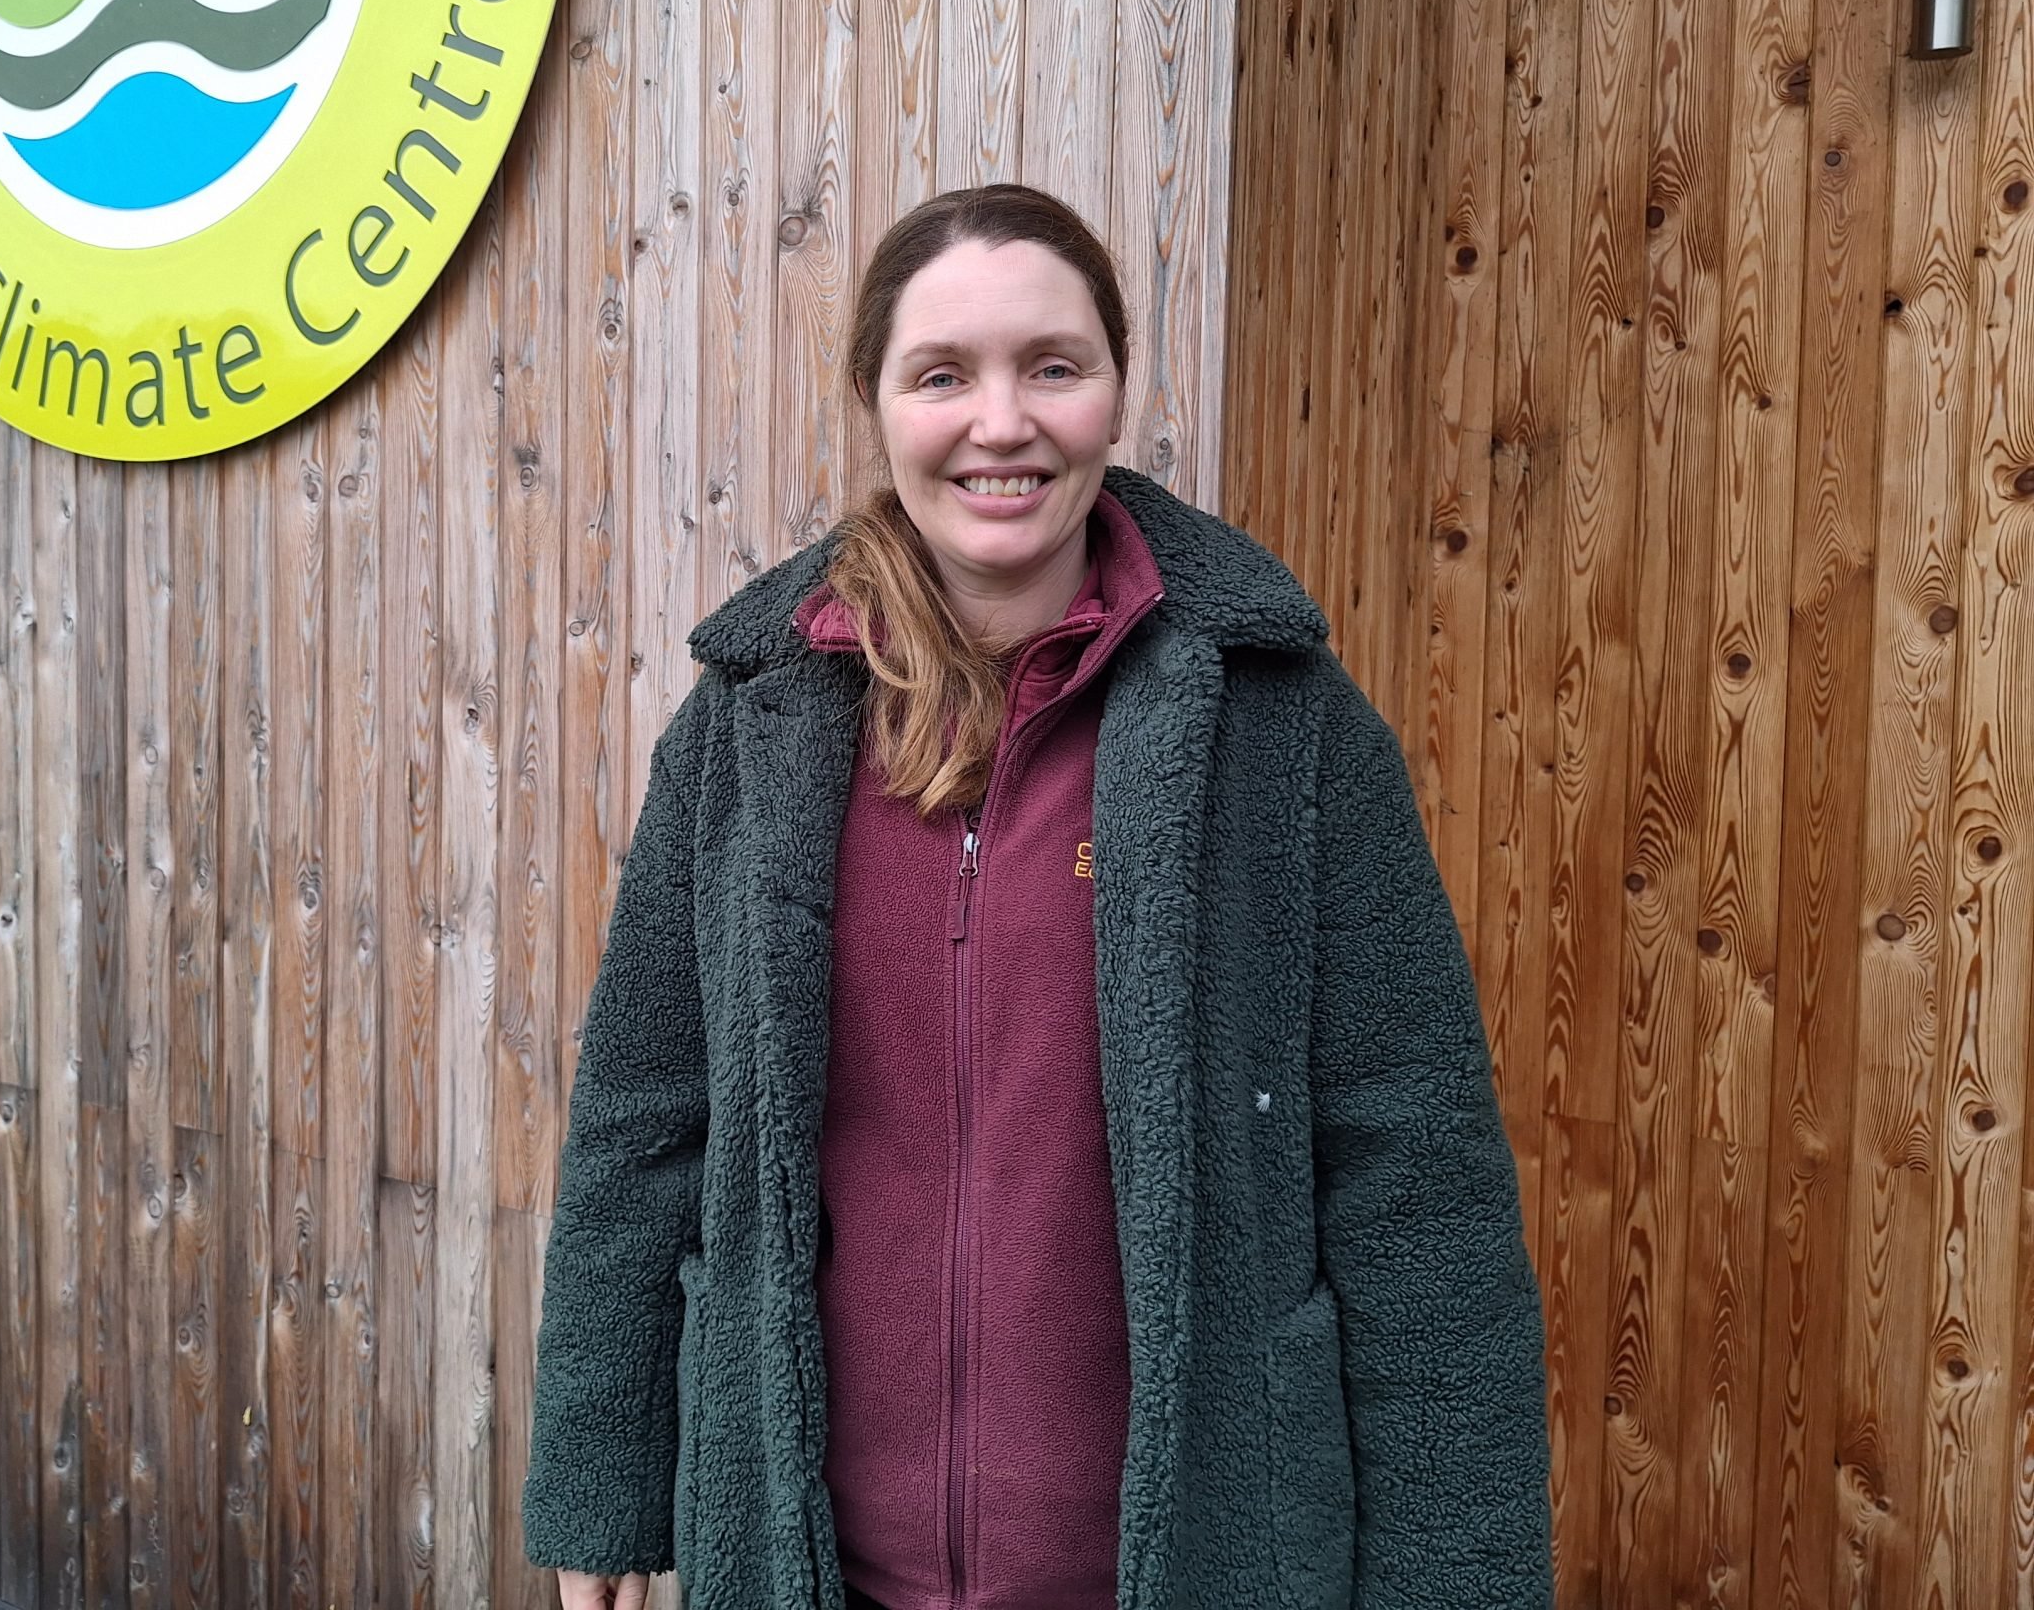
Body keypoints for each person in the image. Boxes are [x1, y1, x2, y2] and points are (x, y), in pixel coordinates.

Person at [521, 185, 1552, 1610]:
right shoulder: (748, 736)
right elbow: (644, 1122)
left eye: (1051, 367)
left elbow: (1416, 1176)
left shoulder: (1282, 730)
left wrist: (1461, 1579)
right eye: (942, 374)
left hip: (1196, 1565)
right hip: (815, 1571)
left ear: (1116, 392)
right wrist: (605, 1489)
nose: (1000, 422)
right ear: (877, 404)